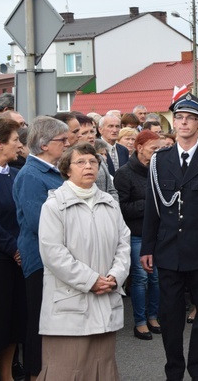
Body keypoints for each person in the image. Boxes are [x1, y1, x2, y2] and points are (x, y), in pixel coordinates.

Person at [140, 93, 198, 381]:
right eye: (179, 117)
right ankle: (174, 370)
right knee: (171, 318)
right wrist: (147, 246)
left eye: (189, 118)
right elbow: (153, 206)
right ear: (173, 122)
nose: (183, 122)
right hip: (169, 250)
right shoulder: (159, 160)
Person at [37, 142, 130, 380]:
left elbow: (123, 244)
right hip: (70, 305)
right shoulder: (55, 205)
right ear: (67, 169)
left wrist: (115, 276)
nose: (88, 166)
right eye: (81, 162)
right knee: (68, 369)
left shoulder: (110, 204)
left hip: (105, 298)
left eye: (93, 162)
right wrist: (90, 280)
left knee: (102, 367)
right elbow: (53, 253)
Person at [12, 116, 70, 379]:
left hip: (55, 259)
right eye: (62, 140)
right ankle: (35, 373)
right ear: (45, 144)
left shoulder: (52, 170)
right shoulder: (32, 176)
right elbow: (40, 223)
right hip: (40, 260)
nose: (67, 144)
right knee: (38, 322)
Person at [113, 130, 164, 341]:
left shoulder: (159, 169)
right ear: (139, 147)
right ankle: (140, 321)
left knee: (156, 278)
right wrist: (150, 205)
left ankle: (153, 316)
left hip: (158, 234)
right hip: (136, 234)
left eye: (159, 149)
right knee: (141, 278)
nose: (157, 153)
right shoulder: (124, 173)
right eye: (154, 149)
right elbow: (122, 208)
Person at [0, 118, 25, 381]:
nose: (19, 145)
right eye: (15, 140)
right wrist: (14, 249)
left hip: (19, 261)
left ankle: (7, 374)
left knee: (15, 321)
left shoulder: (15, 175)